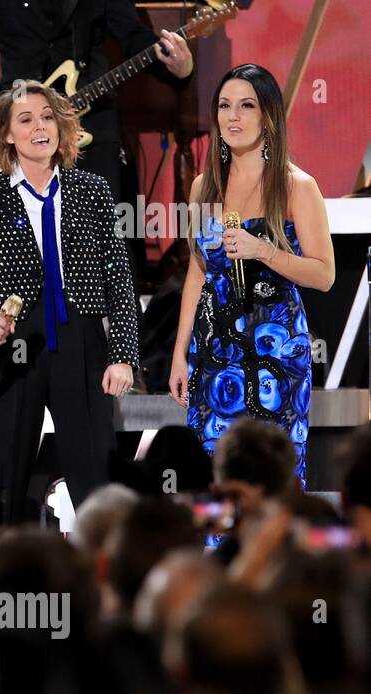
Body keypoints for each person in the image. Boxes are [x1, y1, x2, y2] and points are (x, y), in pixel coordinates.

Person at [0, 81, 139, 527]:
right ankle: (0, 587)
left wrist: (124, 356)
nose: (40, 126)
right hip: (14, 345)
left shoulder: (91, 190)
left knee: (98, 482)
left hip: (81, 344)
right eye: (26, 119)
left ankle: (106, 589)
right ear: (5, 136)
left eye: (47, 117)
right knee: (1, 483)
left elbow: (119, 277)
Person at [169, 64, 335, 486]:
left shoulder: (298, 186)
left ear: (269, 116)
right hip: (214, 355)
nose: (233, 117)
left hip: (276, 353)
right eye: (225, 106)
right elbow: (196, 273)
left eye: (247, 106)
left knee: (272, 482)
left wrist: (264, 250)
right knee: (216, 481)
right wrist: (180, 354)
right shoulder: (204, 186)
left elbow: (323, 274)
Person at [0, 0, 193, 196]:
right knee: (30, 242)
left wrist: (177, 70)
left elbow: (131, 33)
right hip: (22, 122)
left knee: (103, 238)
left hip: (91, 115)